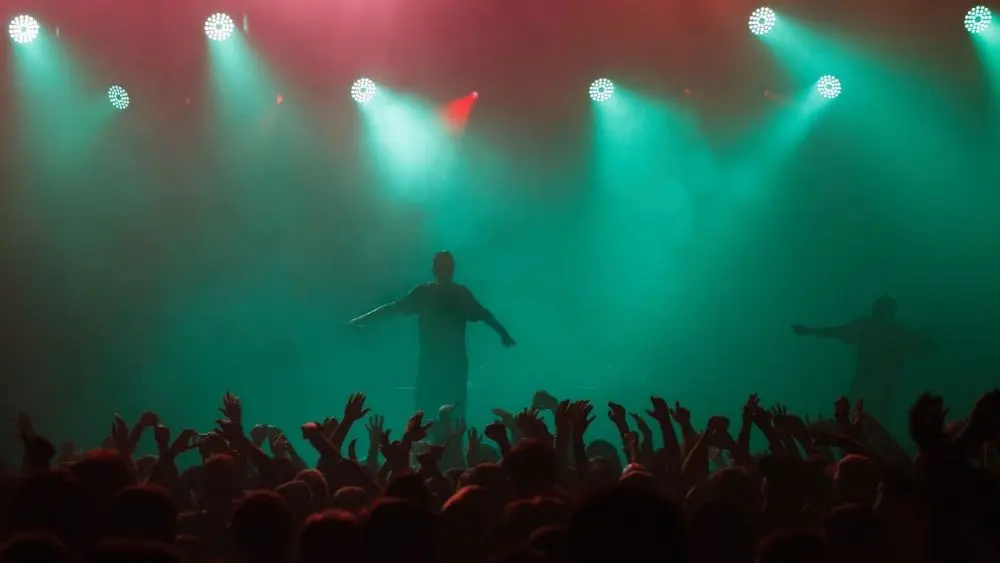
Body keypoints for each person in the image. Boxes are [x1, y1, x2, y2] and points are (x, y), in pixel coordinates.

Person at [348, 251, 516, 420]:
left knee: (430, 412)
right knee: (445, 413)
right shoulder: (448, 294)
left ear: (434, 269)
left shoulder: (434, 293)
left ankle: (431, 442)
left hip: (442, 365)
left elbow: (393, 308)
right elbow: (485, 315)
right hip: (444, 365)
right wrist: (503, 334)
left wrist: (362, 319)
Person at [792, 296, 931, 420]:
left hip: (871, 385)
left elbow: (836, 331)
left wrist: (808, 331)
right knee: (871, 422)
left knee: (862, 420)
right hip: (876, 386)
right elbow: (922, 347)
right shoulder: (894, 331)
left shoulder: (871, 327)